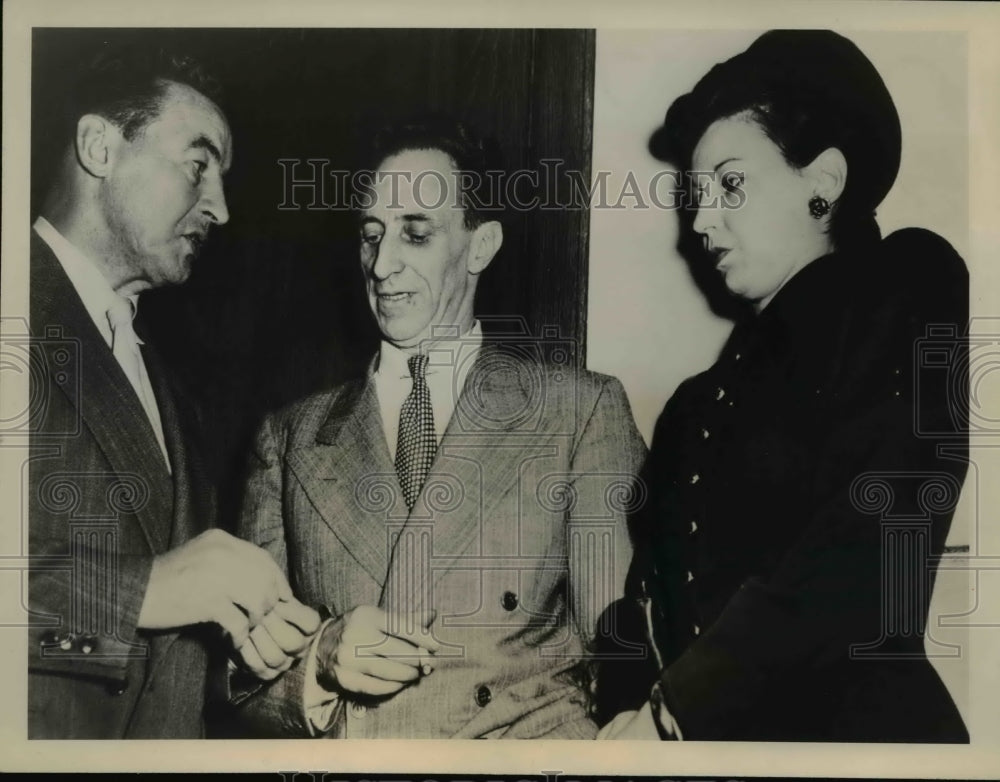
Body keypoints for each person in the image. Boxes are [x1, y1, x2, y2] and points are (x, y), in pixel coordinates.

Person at [595, 30, 969, 742]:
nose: (701, 221)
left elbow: (866, 549)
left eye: (730, 183)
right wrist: (623, 709)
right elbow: (640, 602)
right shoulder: (694, 405)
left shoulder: (911, 288)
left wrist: (674, 712)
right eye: (695, 195)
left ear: (822, 184)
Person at [231, 119, 647, 738]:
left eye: (415, 234)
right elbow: (239, 686)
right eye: (371, 236)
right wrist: (319, 660)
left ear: (480, 246)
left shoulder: (578, 412)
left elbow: (625, 665)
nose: (382, 264)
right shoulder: (289, 437)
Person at [28, 45, 318, 739]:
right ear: (99, 146)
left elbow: (168, 650)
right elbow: (151, 596)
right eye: (198, 164)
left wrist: (291, 659)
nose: (218, 206)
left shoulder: (173, 390)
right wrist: (144, 591)